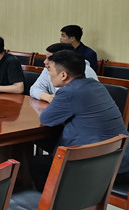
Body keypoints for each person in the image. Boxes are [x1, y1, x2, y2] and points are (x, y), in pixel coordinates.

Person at [31, 50, 129, 191]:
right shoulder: (96, 85)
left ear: (63, 75)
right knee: (50, 143)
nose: (48, 73)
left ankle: (55, 203)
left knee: (37, 163)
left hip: (102, 167)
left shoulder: (68, 92)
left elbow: (46, 119)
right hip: (121, 160)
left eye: (49, 69)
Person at [30, 43, 99, 102]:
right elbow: (34, 88)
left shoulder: (83, 71)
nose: (45, 62)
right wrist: (48, 97)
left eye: (50, 58)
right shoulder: (49, 68)